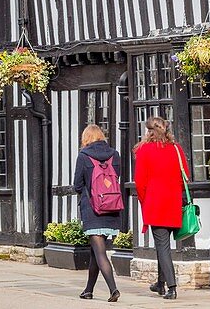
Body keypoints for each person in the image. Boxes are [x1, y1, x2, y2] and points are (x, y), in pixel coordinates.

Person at [134, 116, 190, 301]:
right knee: (163, 245)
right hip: (173, 203)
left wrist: (144, 202)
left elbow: (140, 182)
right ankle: (160, 283)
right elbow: (185, 176)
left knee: (163, 247)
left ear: (149, 132)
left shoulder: (144, 150)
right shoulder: (176, 148)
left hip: (155, 204)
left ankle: (172, 287)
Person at [72, 124, 123, 302]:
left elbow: (77, 185)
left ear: (86, 138)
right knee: (96, 252)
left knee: (100, 253)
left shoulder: (84, 156)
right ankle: (88, 290)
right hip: (112, 207)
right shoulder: (114, 154)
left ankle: (113, 289)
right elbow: (117, 178)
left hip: (93, 208)